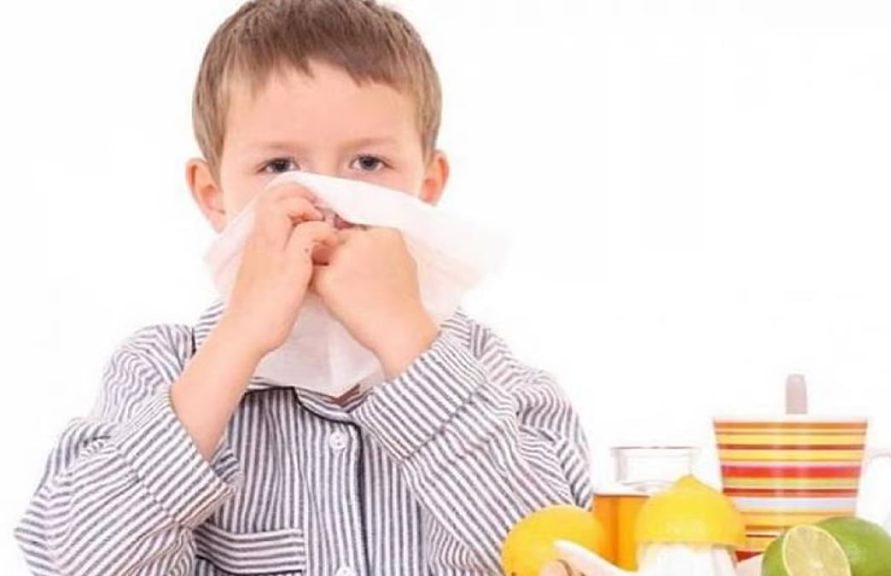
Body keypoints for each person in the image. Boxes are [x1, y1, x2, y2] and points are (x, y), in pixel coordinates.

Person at [15, 1, 590, 574]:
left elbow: (563, 560)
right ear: (214, 197)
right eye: (280, 167)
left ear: (427, 185)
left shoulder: (498, 381)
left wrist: (406, 337)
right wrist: (239, 338)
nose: (328, 204)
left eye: (368, 163)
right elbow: (76, 561)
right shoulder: (161, 370)